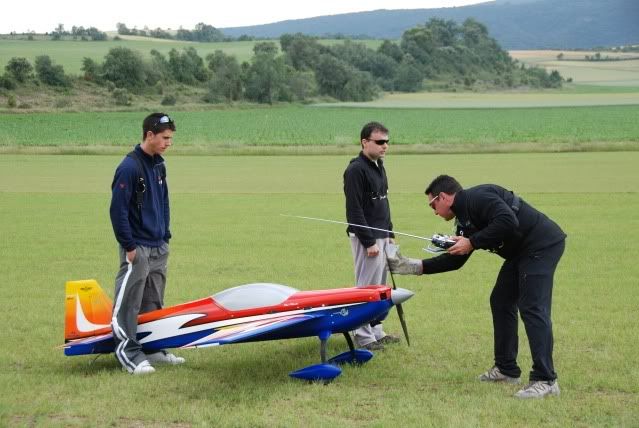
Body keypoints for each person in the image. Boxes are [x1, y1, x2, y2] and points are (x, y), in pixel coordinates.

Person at [388, 174, 566, 399]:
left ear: (443, 197)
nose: (434, 211)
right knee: (500, 301)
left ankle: (546, 379)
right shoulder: (464, 220)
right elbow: (456, 260)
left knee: (532, 307)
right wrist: (413, 266)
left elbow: (508, 220)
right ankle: (506, 370)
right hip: (520, 253)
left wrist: (472, 242)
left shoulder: (479, 197)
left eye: (433, 204)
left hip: (542, 245)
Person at [109, 113, 184, 375]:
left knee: (153, 301)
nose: (168, 143)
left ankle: (153, 348)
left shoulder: (159, 166)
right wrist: (129, 246)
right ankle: (129, 354)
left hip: (158, 245)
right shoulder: (129, 168)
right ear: (149, 135)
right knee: (129, 302)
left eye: (170, 138)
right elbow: (117, 211)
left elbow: (164, 201)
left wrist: (165, 236)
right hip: (137, 247)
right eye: (165, 138)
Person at [343, 121, 401, 351]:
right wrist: (368, 241)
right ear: (364, 142)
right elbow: (354, 210)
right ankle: (362, 335)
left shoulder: (379, 165)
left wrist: (390, 233)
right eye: (379, 142)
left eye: (387, 141)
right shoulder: (356, 170)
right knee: (367, 287)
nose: (385, 146)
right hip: (366, 237)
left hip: (382, 235)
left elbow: (383, 204)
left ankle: (377, 331)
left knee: (381, 287)